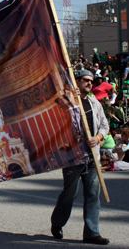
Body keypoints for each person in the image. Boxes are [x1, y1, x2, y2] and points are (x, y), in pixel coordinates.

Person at [51, 69, 110, 245]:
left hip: (93, 156)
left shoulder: (95, 103)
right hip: (73, 156)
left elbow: (104, 125)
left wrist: (98, 138)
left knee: (93, 194)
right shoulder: (67, 102)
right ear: (77, 81)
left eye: (92, 81)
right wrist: (71, 97)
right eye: (85, 80)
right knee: (70, 193)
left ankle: (92, 233)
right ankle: (57, 223)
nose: (89, 83)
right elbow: (58, 117)